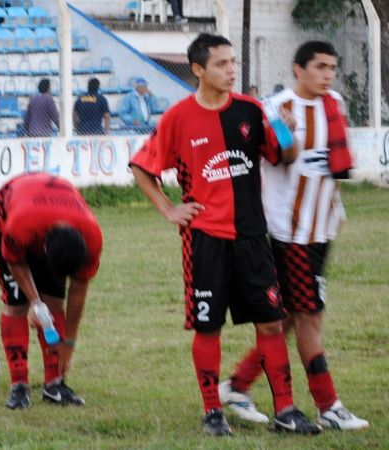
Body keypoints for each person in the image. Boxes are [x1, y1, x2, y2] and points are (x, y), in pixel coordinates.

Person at [129, 33, 321, 436]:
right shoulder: (178, 118)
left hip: (252, 237)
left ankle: (286, 410)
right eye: (221, 64)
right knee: (208, 326)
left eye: (234, 62)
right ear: (198, 70)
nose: (232, 70)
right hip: (205, 240)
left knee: (271, 323)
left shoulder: (251, 110)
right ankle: (212, 411)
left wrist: (286, 133)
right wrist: (168, 208)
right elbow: (142, 167)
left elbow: (283, 157)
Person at [219, 41, 369, 431]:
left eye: (332, 67)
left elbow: (330, 166)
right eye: (320, 67)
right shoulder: (274, 109)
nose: (328, 75)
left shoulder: (334, 103)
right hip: (291, 235)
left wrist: (334, 210)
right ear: (298, 69)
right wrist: (285, 132)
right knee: (310, 317)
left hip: (321, 229)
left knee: (287, 317)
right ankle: (328, 405)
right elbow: (269, 158)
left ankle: (237, 385)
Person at [0, 173, 103, 410]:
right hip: (7, 212)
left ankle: (54, 384)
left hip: (46, 211)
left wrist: (69, 341)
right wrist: (35, 302)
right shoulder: (19, 227)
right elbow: (15, 262)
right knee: (16, 303)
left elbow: (79, 289)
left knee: (55, 302)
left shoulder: (92, 237)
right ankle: (19, 385)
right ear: (45, 248)